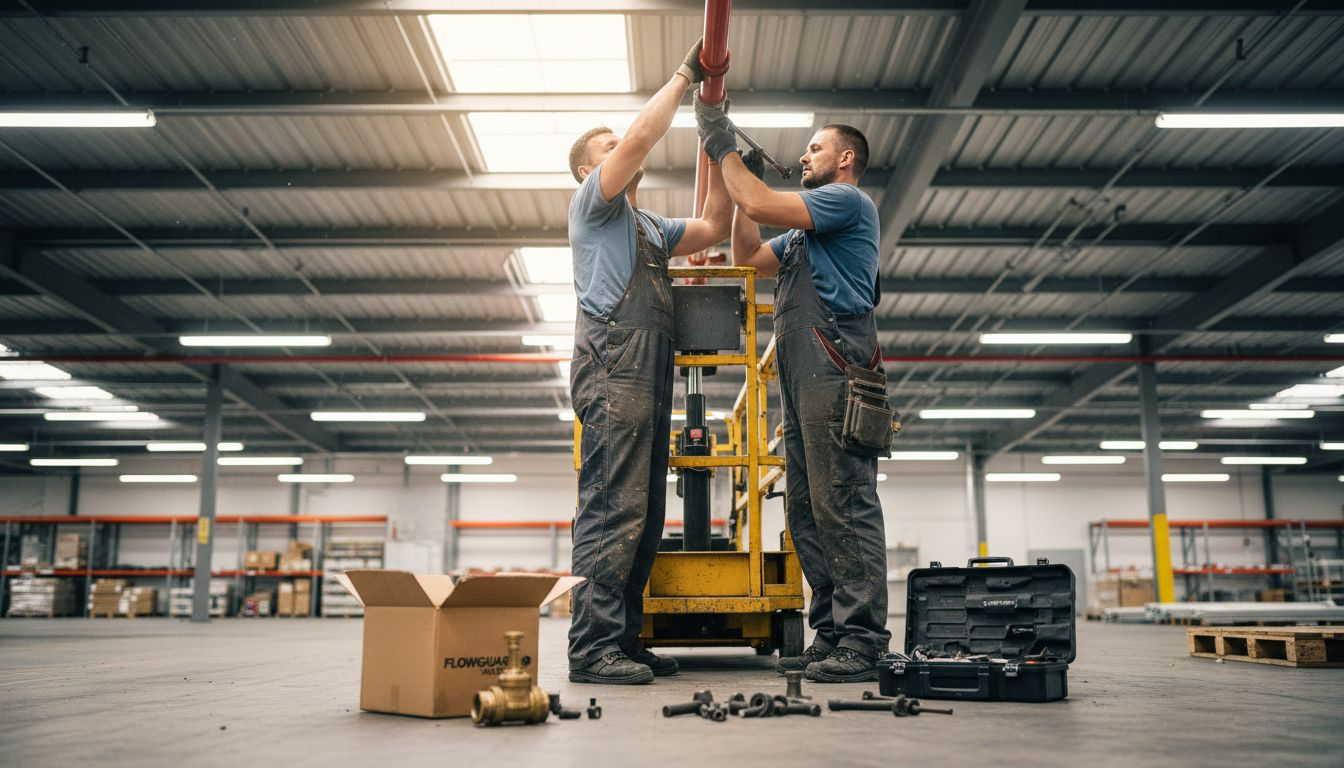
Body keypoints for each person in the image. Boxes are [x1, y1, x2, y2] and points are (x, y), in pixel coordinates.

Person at [695, 100, 891, 682]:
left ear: (846, 159)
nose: (805, 155)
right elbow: (750, 255)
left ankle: (862, 640)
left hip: (835, 367)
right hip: (806, 375)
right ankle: (831, 633)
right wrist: (733, 181)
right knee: (807, 508)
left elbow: (760, 201)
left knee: (844, 505)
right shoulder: (806, 237)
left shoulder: (845, 201)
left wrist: (724, 150)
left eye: (815, 148)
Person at [566, 40, 733, 685]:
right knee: (613, 506)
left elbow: (715, 224)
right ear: (589, 172)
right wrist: (687, 79)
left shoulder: (647, 226)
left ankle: (622, 638)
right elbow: (640, 136)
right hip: (614, 365)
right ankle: (592, 648)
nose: (622, 150)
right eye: (606, 149)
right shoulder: (594, 206)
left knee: (642, 510)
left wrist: (717, 144)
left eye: (616, 146)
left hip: (648, 368)